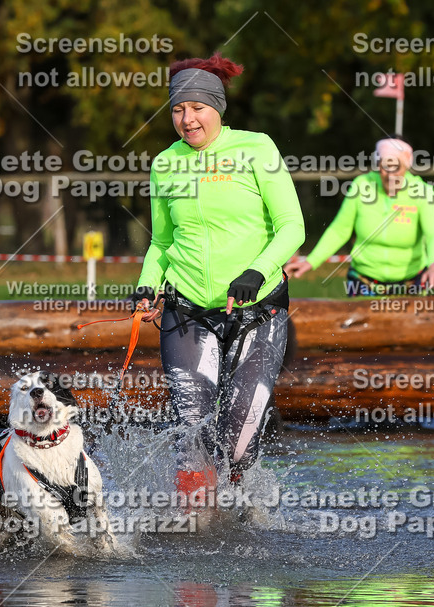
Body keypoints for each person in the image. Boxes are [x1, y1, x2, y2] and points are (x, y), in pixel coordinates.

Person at [130, 54, 305, 489]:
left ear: (217, 108)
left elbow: (292, 226)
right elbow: (161, 243)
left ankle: (241, 522)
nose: (187, 120)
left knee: (238, 443)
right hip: (186, 311)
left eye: (197, 108)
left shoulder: (256, 148)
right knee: (192, 436)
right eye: (177, 109)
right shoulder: (165, 164)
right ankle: (193, 538)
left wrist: (257, 271)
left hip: (257, 311)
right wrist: (146, 287)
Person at [287, 137, 434, 295]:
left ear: (406, 166)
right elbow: (339, 230)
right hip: (364, 282)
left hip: (410, 283)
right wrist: (311, 261)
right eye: (386, 167)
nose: (391, 175)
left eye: (397, 168)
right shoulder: (361, 185)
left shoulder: (422, 191)